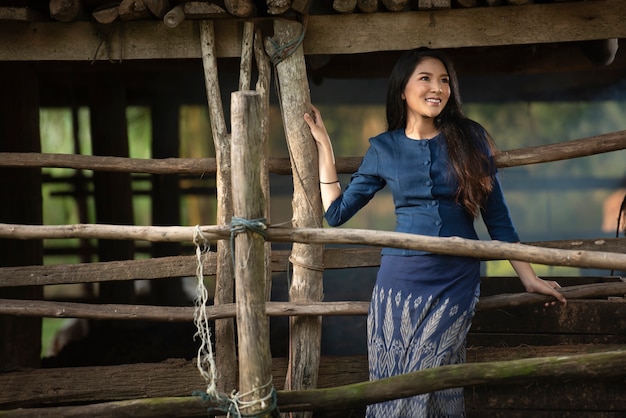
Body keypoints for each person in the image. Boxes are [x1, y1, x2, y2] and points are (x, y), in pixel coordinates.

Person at [304, 47, 567, 417]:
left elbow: (499, 219)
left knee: (425, 375)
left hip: (455, 281)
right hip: (398, 285)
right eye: (425, 78)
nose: (437, 87)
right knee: (392, 386)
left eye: (444, 80)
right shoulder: (383, 148)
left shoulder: (470, 137)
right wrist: (325, 147)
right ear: (402, 90)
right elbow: (336, 213)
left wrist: (528, 276)